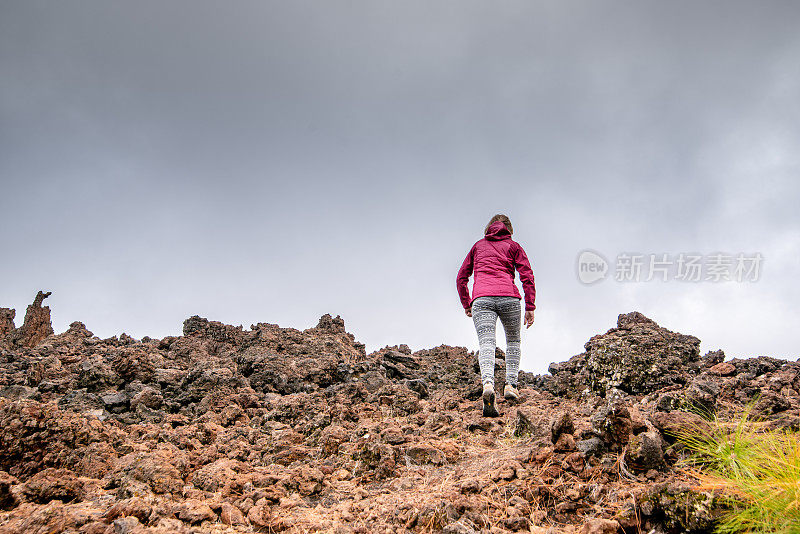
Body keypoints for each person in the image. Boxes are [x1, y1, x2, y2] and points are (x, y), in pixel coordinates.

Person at [456, 214, 536, 417]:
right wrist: (530, 306)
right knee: (513, 342)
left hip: (482, 299)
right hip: (509, 297)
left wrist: (467, 303)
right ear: (509, 229)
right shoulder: (514, 246)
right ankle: (510, 385)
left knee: (487, 343)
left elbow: (461, 277)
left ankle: (488, 385)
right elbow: (527, 275)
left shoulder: (478, 246)